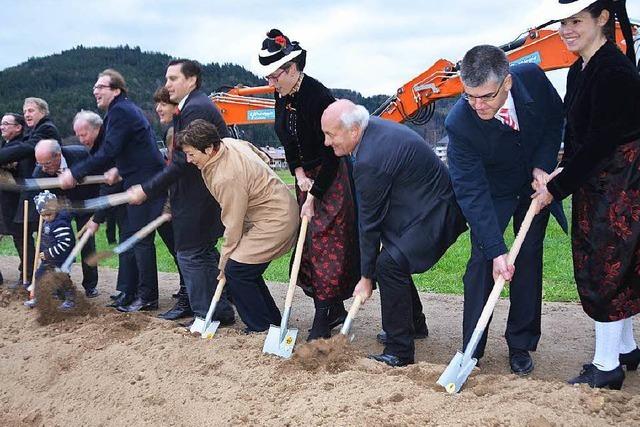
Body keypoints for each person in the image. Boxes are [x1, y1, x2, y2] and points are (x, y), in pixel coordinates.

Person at [534, 0, 640, 389]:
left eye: (576, 21)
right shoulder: (579, 69)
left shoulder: (614, 71)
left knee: (606, 267)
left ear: (602, 19)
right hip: (598, 181)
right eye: (563, 22)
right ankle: (627, 350)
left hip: (621, 185)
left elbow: (601, 142)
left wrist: (556, 188)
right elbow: (581, 138)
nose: (567, 29)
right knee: (618, 266)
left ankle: (606, 365)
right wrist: (562, 169)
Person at [445, 45, 566, 375]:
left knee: (527, 258)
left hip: (531, 186)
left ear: (507, 83)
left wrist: (542, 166)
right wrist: (497, 250)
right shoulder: (460, 123)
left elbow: (555, 120)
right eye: (470, 96)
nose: (477, 105)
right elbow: (471, 192)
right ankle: (473, 346)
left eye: (485, 96)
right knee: (484, 260)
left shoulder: (533, 80)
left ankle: (521, 343)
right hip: (492, 191)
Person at [322, 100, 468, 366]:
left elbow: (368, 222)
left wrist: (366, 277)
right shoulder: (372, 132)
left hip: (438, 214)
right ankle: (414, 323)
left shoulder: (370, 159)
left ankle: (399, 350)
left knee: (388, 264)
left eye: (330, 134)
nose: (326, 142)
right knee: (392, 258)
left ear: (353, 131)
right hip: (423, 206)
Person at [258, 29, 359, 340]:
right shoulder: (281, 95)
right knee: (310, 247)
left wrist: (315, 192)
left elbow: (333, 152)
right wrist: (299, 174)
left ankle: (325, 314)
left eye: (275, 77)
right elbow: (288, 141)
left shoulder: (318, 96)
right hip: (307, 178)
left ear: (292, 69)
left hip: (332, 174)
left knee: (328, 244)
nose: (270, 84)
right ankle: (331, 310)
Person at [128, 59, 234, 326]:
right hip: (199, 193)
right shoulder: (192, 107)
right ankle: (217, 311)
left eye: (173, 79)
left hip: (198, 194)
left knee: (190, 254)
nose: (167, 85)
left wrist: (147, 190)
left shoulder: (195, 108)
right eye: (167, 79)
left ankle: (204, 316)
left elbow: (181, 162)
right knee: (203, 254)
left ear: (192, 80)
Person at [59, 69, 166, 313]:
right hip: (137, 177)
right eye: (94, 87)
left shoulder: (120, 111)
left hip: (146, 180)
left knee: (140, 240)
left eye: (101, 87)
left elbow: (108, 150)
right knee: (134, 238)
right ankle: (135, 292)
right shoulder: (118, 112)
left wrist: (74, 173)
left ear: (116, 89)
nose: (95, 90)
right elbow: (121, 150)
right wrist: (120, 167)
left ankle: (148, 297)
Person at [177, 119, 298, 332]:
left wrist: (223, 261)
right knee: (244, 270)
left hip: (275, 221)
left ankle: (259, 327)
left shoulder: (226, 177)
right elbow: (260, 154)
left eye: (192, 154)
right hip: (273, 212)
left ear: (208, 149)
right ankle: (271, 322)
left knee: (236, 271)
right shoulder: (229, 143)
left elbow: (232, 224)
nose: (188, 160)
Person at [33, 139, 100, 298]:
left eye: (47, 163)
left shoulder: (79, 154)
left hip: (85, 202)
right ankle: (61, 284)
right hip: (60, 207)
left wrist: (97, 207)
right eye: (39, 163)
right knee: (57, 241)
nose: (43, 167)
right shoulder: (40, 171)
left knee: (87, 242)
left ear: (58, 156)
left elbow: (97, 175)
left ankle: (90, 285)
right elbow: (36, 196)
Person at [72, 110, 118, 245]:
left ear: (97, 128)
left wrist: (97, 219)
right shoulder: (97, 148)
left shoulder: (107, 146)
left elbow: (108, 185)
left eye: (84, 135)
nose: (81, 140)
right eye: (78, 136)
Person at [24, 191, 76, 310]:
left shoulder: (60, 224)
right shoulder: (47, 222)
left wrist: (48, 253)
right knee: (39, 275)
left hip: (61, 259)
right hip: (49, 258)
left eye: (49, 214)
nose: (47, 217)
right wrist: (42, 251)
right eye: (43, 215)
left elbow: (64, 243)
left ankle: (70, 299)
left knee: (61, 278)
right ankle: (41, 297)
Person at [0, 113, 31, 288]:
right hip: (3, 201)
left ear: (18, 127)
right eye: (1, 123)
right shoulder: (6, 145)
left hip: (17, 202)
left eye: (6, 123)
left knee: (21, 238)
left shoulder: (21, 147)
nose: (2, 127)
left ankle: (26, 275)